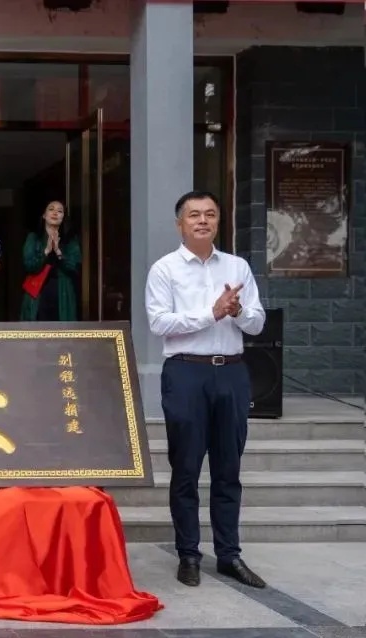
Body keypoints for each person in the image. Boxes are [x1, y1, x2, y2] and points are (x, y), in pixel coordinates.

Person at [144, 189, 267, 589]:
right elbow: (159, 323)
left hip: (231, 373)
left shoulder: (237, 266)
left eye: (210, 214)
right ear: (180, 223)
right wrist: (211, 313)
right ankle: (189, 554)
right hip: (186, 373)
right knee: (186, 468)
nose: (202, 220)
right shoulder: (164, 269)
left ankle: (229, 555)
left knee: (228, 468)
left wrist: (238, 310)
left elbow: (257, 323)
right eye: (194, 214)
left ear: (218, 221)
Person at [19, 200, 81, 321]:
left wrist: (58, 251)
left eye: (60, 211)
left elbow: (75, 267)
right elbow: (29, 265)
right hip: (38, 293)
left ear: (63, 217)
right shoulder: (34, 238)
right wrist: (46, 251)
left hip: (63, 292)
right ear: (44, 215)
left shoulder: (70, 241)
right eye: (51, 209)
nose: (55, 213)